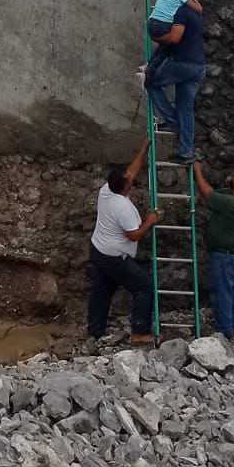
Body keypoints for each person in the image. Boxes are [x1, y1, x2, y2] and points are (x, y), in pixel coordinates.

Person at [87, 137, 159, 344]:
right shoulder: (123, 207)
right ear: (125, 188)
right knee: (144, 287)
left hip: (98, 250)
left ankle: (95, 331)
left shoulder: (106, 191)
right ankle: (139, 332)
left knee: (101, 292)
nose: (132, 178)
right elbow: (134, 235)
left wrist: (144, 149)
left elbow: (131, 171)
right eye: (129, 180)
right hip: (113, 258)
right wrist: (151, 220)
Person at [193, 160, 234, 338]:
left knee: (222, 293)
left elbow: (208, 193)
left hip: (226, 257)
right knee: (232, 290)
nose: (233, 175)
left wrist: (197, 170)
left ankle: (224, 331)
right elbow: (213, 193)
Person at [146, 0, 206, 162]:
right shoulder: (197, 12)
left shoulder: (181, 12)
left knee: (151, 82)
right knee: (186, 107)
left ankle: (172, 121)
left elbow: (174, 39)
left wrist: (157, 39)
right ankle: (185, 152)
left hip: (182, 63)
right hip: (198, 66)